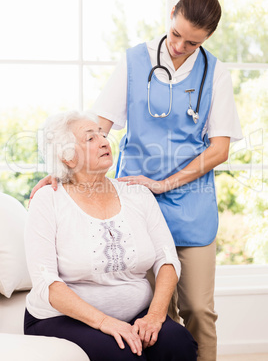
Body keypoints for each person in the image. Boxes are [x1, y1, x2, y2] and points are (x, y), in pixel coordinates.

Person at [30, 0, 243, 360]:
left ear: (208, 38)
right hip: (131, 200)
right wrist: (61, 170)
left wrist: (163, 184)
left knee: (198, 310)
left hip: (190, 204)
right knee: (153, 313)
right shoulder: (134, 62)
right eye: (175, 34)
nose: (179, 46)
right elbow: (96, 127)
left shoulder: (216, 73)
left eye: (193, 42)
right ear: (171, 14)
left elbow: (220, 148)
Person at [24, 110, 198, 361]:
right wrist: (105, 322)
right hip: (62, 319)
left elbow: (167, 258)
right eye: (90, 138)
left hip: (138, 313)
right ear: (68, 157)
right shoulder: (47, 200)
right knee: (123, 354)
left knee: (177, 343)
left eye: (102, 135)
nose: (104, 141)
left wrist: (155, 316)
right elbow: (46, 283)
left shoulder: (137, 194)